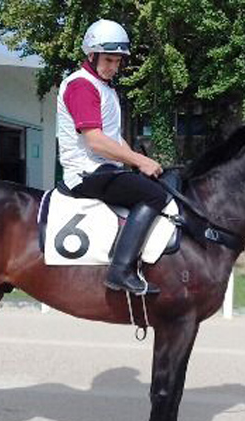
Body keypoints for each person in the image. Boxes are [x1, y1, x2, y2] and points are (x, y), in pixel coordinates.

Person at [57, 19, 167, 295]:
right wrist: (140, 162)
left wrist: (135, 160)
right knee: (154, 196)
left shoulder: (103, 87)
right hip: (87, 173)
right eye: (108, 60)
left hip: (104, 170)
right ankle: (120, 271)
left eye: (118, 61)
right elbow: (95, 141)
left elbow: (114, 138)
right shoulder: (81, 86)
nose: (114, 67)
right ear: (90, 55)